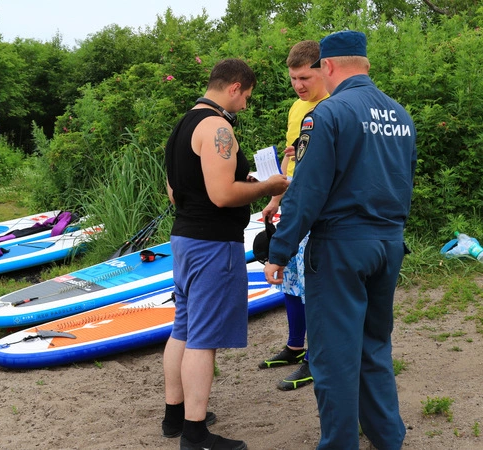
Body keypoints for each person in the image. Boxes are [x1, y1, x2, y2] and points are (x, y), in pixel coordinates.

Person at [264, 30, 416, 449]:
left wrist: (280, 250)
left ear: (328, 66)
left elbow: (307, 190)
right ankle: (388, 438)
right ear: (364, 64)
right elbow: (404, 180)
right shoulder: (400, 115)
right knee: (374, 346)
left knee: (332, 357)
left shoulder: (327, 113)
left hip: (341, 246)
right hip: (388, 243)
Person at [163, 58, 290, 450]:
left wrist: (241, 181)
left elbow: (175, 192)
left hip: (184, 239)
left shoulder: (182, 126)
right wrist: (267, 187)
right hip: (213, 245)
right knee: (203, 338)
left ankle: (174, 416)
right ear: (235, 87)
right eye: (247, 96)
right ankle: (195, 434)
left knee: (184, 328)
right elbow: (221, 195)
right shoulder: (218, 127)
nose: (246, 105)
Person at [258, 40, 329, 391]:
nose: (299, 85)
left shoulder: (333, 106)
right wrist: (276, 199)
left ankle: (317, 358)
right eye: (293, 79)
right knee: (289, 277)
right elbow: (292, 162)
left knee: (313, 284)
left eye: (305, 78)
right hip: (293, 202)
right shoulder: (297, 108)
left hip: (320, 210)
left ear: (323, 71)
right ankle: (295, 346)